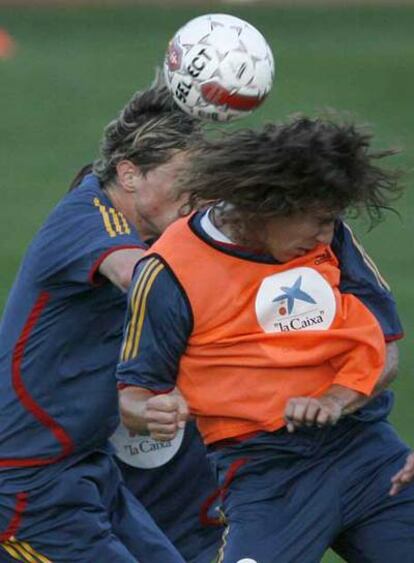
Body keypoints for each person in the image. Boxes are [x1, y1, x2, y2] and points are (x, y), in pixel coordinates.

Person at [116, 117, 414, 562]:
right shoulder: (167, 272)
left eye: (332, 221)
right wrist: (152, 412)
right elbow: (134, 398)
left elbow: (386, 350)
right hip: (266, 475)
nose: (325, 236)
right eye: (317, 222)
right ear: (266, 206)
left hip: (367, 454)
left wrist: (334, 401)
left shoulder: (331, 241)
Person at [0, 80, 203, 562]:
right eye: (185, 178)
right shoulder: (90, 219)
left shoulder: (158, 231)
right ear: (129, 174)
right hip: (24, 484)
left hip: (87, 469)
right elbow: (144, 281)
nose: (197, 195)